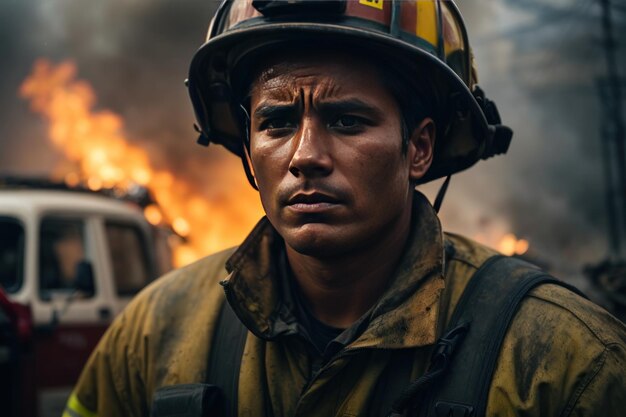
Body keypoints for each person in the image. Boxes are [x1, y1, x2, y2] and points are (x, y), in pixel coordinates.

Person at [64, 1, 626, 416]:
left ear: (419, 148)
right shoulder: (153, 334)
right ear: (248, 149)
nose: (305, 157)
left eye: (347, 121)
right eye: (276, 122)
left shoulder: (565, 363)